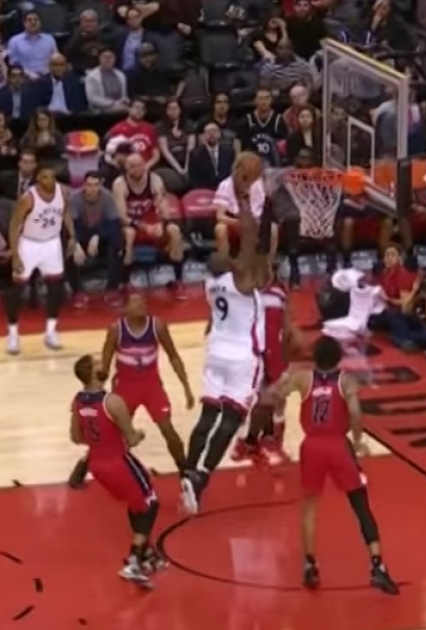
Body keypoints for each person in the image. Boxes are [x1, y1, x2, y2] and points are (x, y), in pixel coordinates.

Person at [270, 335, 399, 594]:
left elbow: (276, 395)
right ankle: (378, 566)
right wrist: (358, 440)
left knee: (309, 507)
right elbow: (356, 412)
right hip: (338, 445)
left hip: (312, 446)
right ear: (339, 358)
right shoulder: (346, 381)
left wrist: (279, 418)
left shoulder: (303, 378)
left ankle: (310, 565)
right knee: (360, 505)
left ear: (314, 357)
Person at [180, 152, 272, 515]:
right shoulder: (240, 281)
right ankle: (201, 476)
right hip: (241, 357)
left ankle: (187, 470)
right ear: (230, 266)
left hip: (215, 353)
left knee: (206, 418)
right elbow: (249, 238)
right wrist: (243, 196)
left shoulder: (211, 285)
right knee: (230, 420)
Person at [69, 294, 197, 488]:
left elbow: (174, 356)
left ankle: (185, 471)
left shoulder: (157, 326)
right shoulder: (116, 330)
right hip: (125, 387)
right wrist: (97, 397)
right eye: (135, 302)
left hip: (151, 385)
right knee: (111, 434)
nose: (141, 305)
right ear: (126, 308)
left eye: (143, 302)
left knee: (167, 429)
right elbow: (104, 364)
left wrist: (186, 387)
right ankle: (81, 470)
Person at [69, 353, 166, 587]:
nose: (103, 365)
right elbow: (131, 439)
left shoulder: (78, 402)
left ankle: (147, 554)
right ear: (91, 374)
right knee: (151, 503)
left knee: (136, 503)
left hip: (97, 465)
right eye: (98, 364)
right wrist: (140, 433)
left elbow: (76, 437)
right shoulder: (112, 401)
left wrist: (99, 440)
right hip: (119, 462)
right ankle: (134, 560)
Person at [6, 163, 76, 355]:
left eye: (52, 177)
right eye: (45, 177)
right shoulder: (27, 199)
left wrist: (72, 236)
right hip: (29, 243)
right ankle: (13, 334)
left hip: (51, 243)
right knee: (17, 291)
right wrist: (15, 254)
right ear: (38, 179)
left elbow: (66, 213)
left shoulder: (63, 192)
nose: (50, 180)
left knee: (56, 290)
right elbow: (13, 226)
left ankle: (51, 332)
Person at [235, 268, 296, 465]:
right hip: (254, 350)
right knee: (264, 399)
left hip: (271, 350)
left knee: (274, 399)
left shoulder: (278, 291)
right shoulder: (246, 291)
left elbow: (287, 327)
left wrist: (285, 355)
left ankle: (261, 441)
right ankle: (255, 441)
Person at [111, 153, 186, 299]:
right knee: (129, 234)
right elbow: (122, 217)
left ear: (145, 165)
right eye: (132, 166)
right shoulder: (120, 184)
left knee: (174, 230)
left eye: (139, 165)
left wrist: (162, 224)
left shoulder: (155, 180)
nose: (137, 169)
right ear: (126, 168)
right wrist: (145, 227)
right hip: (133, 224)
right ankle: (125, 284)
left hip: (153, 222)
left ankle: (178, 280)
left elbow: (164, 208)